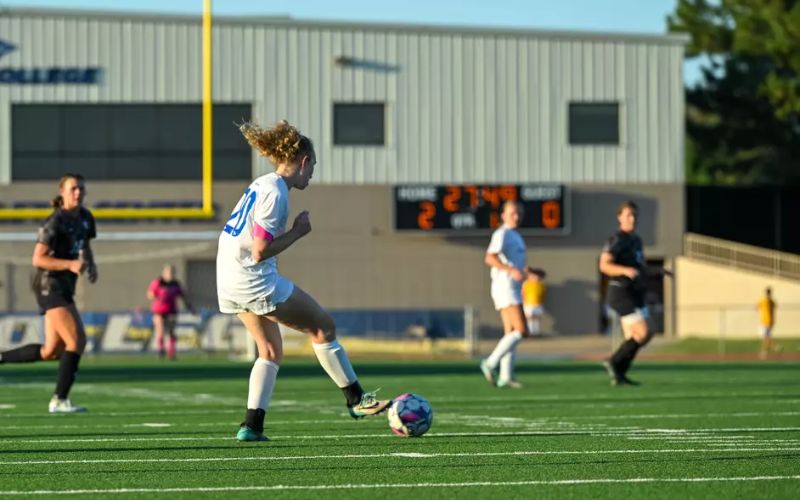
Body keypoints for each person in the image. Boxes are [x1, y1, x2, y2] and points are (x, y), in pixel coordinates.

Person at [216, 120, 391, 442]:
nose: (311, 175)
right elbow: (259, 251)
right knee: (323, 327)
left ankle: (251, 426)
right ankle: (355, 400)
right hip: (252, 277)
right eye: (313, 168)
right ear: (304, 162)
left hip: (227, 278)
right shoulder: (276, 192)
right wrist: (298, 232)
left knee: (269, 351)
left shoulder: (261, 183)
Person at [0, 173, 97, 412]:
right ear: (62, 192)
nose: (78, 193)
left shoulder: (85, 217)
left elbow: (84, 244)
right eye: (73, 188)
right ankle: (59, 400)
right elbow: (38, 258)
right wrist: (70, 264)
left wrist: (91, 263)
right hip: (49, 286)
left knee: (51, 351)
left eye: (81, 189)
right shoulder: (53, 222)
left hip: (65, 286)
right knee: (77, 341)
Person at [599, 200, 649, 386]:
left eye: (634, 215)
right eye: (628, 215)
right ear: (619, 217)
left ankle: (619, 373)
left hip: (634, 292)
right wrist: (624, 270)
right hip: (620, 292)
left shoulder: (636, 240)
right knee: (643, 331)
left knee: (638, 337)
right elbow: (604, 265)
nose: (632, 219)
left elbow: (639, 266)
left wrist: (657, 272)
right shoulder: (616, 239)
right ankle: (613, 362)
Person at [480, 200, 529, 389]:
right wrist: (509, 270)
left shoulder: (516, 235)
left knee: (510, 333)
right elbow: (490, 257)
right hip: (505, 286)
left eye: (518, 213)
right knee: (522, 330)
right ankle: (490, 363)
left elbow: (516, 266)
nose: (516, 217)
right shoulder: (502, 233)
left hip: (512, 286)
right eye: (512, 213)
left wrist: (529, 272)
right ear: (503, 215)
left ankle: (505, 376)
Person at [147, 264, 194, 360]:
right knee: (160, 331)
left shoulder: (176, 284)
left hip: (171, 311)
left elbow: (183, 296)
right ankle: (161, 350)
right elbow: (150, 294)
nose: (170, 274)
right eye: (168, 272)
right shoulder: (158, 282)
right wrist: (158, 297)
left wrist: (190, 307)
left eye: (172, 272)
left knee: (171, 331)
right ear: (164, 273)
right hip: (159, 311)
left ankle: (171, 352)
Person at [522, 267, 547, 337]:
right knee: (529, 318)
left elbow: (543, 294)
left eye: (537, 276)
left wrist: (541, 302)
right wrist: (524, 302)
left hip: (538, 304)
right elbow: (523, 293)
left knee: (536, 318)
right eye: (534, 275)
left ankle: (536, 332)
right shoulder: (526, 283)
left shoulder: (541, 285)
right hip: (528, 304)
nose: (536, 277)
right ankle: (529, 332)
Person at [757, 287, 778, 359]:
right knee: (767, 337)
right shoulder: (771, 301)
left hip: (765, 321)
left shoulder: (764, 300)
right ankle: (770, 349)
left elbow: (757, 307)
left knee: (765, 337)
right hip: (770, 321)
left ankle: (772, 348)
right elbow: (775, 306)